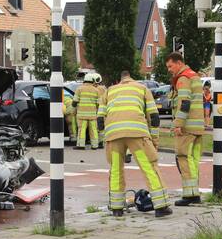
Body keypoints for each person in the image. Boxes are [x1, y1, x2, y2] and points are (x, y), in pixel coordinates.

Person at [101, 70, 171, 218]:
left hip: (114, 135)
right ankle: (161, 206)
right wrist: (154, 140)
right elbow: (154, 116)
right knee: (149, 167)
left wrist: (106, 137)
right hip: (137, 133)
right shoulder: (142, 88)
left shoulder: (109, 91)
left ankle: (116, 208)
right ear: (132, 78)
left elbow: (100, 119)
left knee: (115, 170)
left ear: (120, 80)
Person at [166, 52, 204, 206]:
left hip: (186, 127)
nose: (169, 69)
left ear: (179, 63)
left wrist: (178, 124)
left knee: (183, 158)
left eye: (170, 66)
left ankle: (189, 195)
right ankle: (194, 193)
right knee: (193, 160)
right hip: (197, 127)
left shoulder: (183, 79)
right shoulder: (194, 76)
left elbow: (185, 103)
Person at [73, 73, 104, 150]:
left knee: (82, 130)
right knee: (93, 130)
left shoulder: (79, 89)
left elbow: (74, 102)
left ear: (85, 80)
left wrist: (74, 106)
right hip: (93, 115)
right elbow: (98, 103)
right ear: (92, 81)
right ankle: (94, 145)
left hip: (81, 115)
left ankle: (81, 145)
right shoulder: (96, 90)